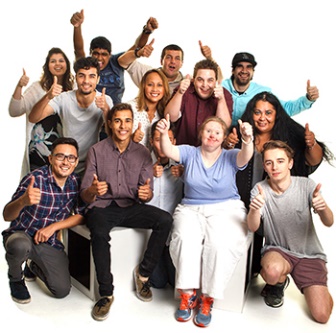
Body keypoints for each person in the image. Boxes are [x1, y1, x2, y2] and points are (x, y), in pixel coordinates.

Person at [156, 114, 254, 327]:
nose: (212, 135)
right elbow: (169, 150)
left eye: (217, 132)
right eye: (208, 130)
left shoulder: (231, 156)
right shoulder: (190, 153)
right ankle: (188, 294)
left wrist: (247, 138)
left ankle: (207, 298)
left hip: (226, 207)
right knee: (183, 237)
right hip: (191, 206)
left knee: (219, 244)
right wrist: (163, 133)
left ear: (223, 137)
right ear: (201, 134)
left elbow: (246, 156)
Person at [224, 91, 334, 276]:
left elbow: (313, 161)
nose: (262, 118)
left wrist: (311, 144)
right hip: (245, 202)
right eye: (257, 112)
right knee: (248, 269)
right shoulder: (241, 132)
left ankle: (280, 278)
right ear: (251, 113)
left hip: (276, 203)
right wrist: (228, 143)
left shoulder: (289, 133)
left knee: (272, 258)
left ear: (277, 114)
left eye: (268, 112)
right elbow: (223, 162)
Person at [80, 103, 173, 321]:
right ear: (110, 124)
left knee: (165, 220)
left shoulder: (142, 153)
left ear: (132, 124)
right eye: (118, 121)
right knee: (100, 233)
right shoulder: (96, 150)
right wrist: (93, 191)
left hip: (131, 206)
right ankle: (105, 293)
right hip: (102, 207)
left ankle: (143, 274)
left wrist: (145, 194)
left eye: (127, 121)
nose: (123, 126)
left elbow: (147, 191)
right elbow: (85, 194)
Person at [247, 140, 334, 323]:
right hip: (278, 251)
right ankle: (278, 283)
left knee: (321, 316)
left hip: (309, 255)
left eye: (280, 161)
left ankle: (317, 289)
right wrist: (255, 209)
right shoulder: (260, 189)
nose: (274, 167)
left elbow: (329, 222)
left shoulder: (306, 186)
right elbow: (253, 227)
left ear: (290, 163)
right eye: (269, 162)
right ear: (264, 166)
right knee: (272, 271)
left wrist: (323, 207)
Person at [2, 137, 85, 304]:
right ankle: (16, 278)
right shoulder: (35, 179)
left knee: (61, 290)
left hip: (48, 241)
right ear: (51, 158)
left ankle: (33, 265)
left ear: (76, 162)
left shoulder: (75, 182)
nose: (65, 162)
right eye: (60, 156)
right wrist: (23, 201)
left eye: (71, 158)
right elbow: (6, 215)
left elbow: (82, 215)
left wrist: (54, 227)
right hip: (23, 234)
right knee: (19, 245)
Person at [28, 56, 113, 177]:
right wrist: (48, 96)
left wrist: (105, 109)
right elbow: (33, 118)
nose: (86, 81)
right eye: (81, 75)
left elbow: (113, 135)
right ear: (76, 77)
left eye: (92, 76)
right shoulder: (64, 98)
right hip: (65, 162)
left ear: (98, 79)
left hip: (90, 164)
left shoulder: (105, 100)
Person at [8, 47, 74, 179]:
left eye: (61, 60)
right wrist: (19, 86)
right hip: (40, 148)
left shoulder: (74, 89)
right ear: (47, 66)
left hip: (63, 150)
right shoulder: (38, 88)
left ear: (67, 64)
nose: (57, 64)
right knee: (37, 189)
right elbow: (14, 111)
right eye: (53, 61)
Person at [70, 9, 158, 105]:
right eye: (96, 53)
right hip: (91, 110)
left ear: (110, 54)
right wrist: (77, 27)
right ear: (90, 53)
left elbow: (137, 48)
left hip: (115, 112)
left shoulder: (117, 61)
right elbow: (78, 50)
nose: (99, 58)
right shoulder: (87, 64)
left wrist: (147, 31)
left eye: (104, 54)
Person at [222, 52, 319, 125]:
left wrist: (308, 99)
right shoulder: (221, 87)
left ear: (253, 71)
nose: (244, 71)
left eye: (249, 67)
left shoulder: (262, 92)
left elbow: (286, 109)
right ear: (233, 70)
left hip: (248, 140)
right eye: (240, 66)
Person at [147, 120, 184, 288]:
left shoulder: (182, 166)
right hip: (150, 234)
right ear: (150, 141)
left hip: (173, 235)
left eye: (167, 139)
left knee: (174, 280)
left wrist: (187, 175)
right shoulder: (143, 165)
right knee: (158, 282)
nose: (162, 144)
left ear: (174, 142)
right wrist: (146, 173)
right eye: (157, 139)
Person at [164, 58, 233, 146]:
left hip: (211, 153)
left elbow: (224, 126)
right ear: (194, 80)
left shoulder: (225, 95)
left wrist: (221, 100)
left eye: (210, 80)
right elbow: (170, 117)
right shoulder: (184, 89)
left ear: (216, 81)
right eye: (200, 79)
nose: (205, 85)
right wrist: (180, 93)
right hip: (183, 152)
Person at [119, 40, 221, 95]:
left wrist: (209, 58)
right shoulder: (148, 73)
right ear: (161, 61)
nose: (173, 61)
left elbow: (219, 80)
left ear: (181, 63)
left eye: (177, 58)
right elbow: (122, 61)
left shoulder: (186, 81)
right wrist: (138, 53)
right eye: (168, 57)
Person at [128, 68, 171, 149]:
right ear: (143, 86)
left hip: (153, 161)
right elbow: (114, 138)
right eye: (150, 84)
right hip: (128, 159)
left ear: (165, 88)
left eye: (159, 85)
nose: (155, 89)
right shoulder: (130, 108)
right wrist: (131, 139)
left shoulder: (165, 113)